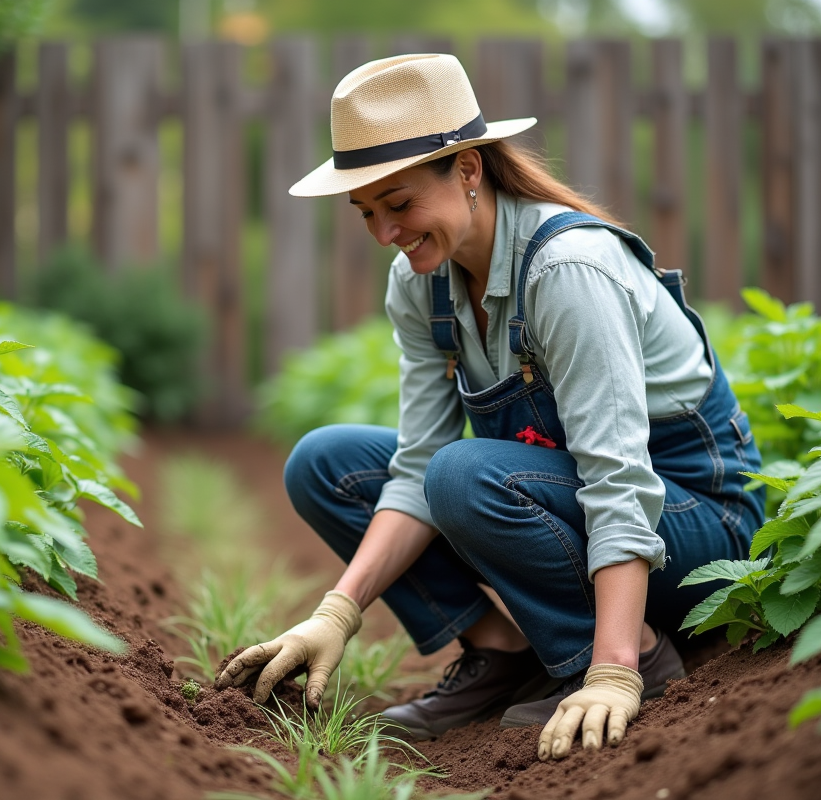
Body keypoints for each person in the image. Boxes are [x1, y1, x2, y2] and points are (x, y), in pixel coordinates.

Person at [215, 53, 763, 760]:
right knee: (329, 465)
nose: (385, 232)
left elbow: (619, 475)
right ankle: (503, 657)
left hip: (695, 527)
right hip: (583, 505)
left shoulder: (567, 272)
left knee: (464, 473)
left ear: (468, 170)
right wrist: (336, 614)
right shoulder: (422, 283)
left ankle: (622, 658)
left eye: (399, 203)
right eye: (366, 212)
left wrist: (615, 668)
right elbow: (412, 468)